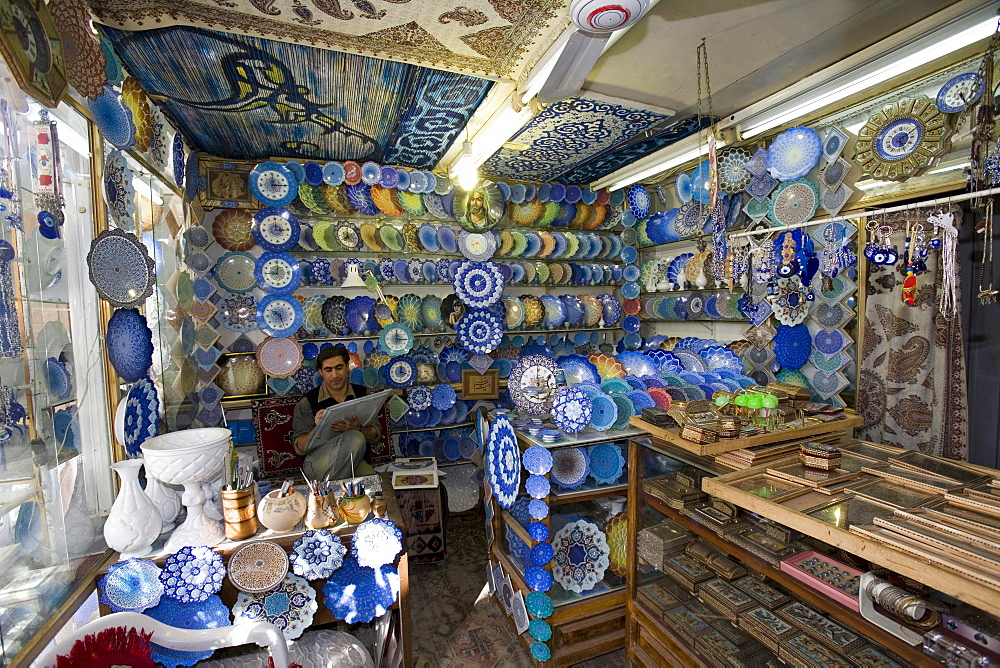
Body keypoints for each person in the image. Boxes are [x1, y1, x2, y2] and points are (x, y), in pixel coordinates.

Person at [291, 346, 378, 480]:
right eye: (328, 370)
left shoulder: (362, 394)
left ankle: (332, 487)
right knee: (355, 437)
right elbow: (299, 447)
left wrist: (359, 429)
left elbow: (375, 434)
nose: (335, 375)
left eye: (339, 368)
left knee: (374, 487)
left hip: (354, 460)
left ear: (347, 368)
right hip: (318, 463)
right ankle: (335, 489)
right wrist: (319, 428)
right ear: (321, 372)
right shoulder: (308, 402)